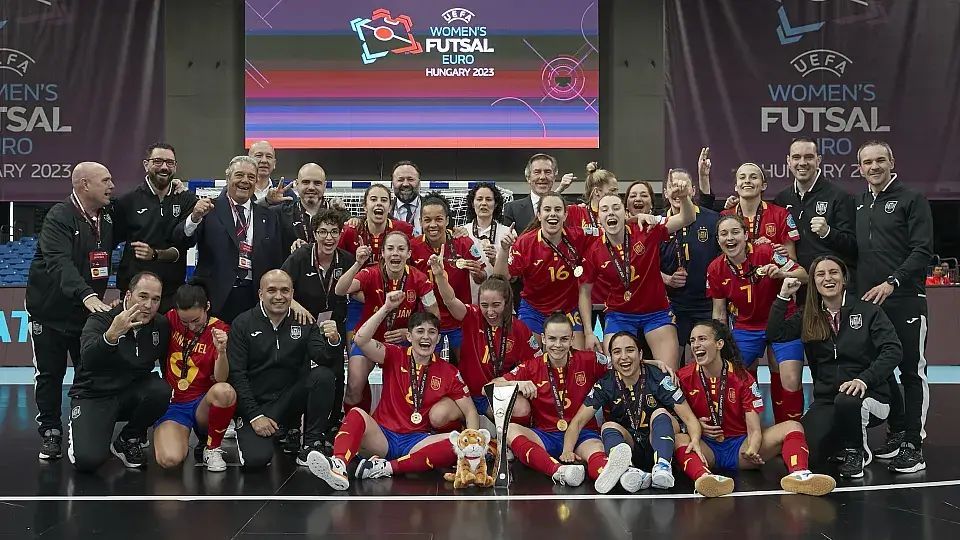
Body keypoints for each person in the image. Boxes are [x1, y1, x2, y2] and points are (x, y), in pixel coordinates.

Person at [306, 296, 479, 490]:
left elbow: (470, 411)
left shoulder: (449, 371)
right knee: (356, 414)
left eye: (432, 332)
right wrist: (386, 307)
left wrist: (474, 451)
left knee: (457, 442)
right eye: (420, 331)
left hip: (417, 441)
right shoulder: (395, 354)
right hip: (383, 437)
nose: (426, 337)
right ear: (409, 337)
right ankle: (338, 465)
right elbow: (361, 339)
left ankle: (385, 468)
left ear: (438, 339)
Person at [768, 257, 902, 478]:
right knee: (810, 454)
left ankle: (857, 451)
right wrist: (783, 297)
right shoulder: (808, 315)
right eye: (820, 274)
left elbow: (893, 350)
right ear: (813, 282)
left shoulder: (868, 311)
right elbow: (775, 334)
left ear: (844, 278)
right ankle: (841, 441)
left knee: (847, 400)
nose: (828, 278)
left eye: (833, 272)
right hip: (827, 400)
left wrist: (864, 379)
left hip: (869, 395)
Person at [674, 320, 836, 497]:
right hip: (706, 449)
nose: (696, 345)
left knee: (793, 426)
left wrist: (752, 448)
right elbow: (672, 417)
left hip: (740, 448)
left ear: (719, 344)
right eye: (692, 340)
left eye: (702, 339)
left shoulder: (742, 377)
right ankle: (704, 478)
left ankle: (799, 474)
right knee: (679, 439)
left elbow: (754, 429)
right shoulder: (683, 377)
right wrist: (694, 426)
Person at [27, 161, 117, 460]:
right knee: (49, 375)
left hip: (85, 315)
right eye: (105, 180)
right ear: (84, 184)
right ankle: (50, 431)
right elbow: (59, 263)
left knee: (87, 372)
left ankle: (82, 428)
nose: (112, 186)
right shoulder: (59, 216)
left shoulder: (108, 215)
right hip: (49, 313)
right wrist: (86, 294)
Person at [854, 140, 934, 473]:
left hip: (905, 299)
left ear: (891, 162)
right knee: (882, 368)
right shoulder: (859, 203)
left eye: (880, 160)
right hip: (871, 304)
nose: (874, 167)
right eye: (867, 162)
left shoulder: (912, 199)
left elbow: (922, 250)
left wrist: (893, 282)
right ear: (860, 168)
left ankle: (914, 445)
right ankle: (898, 432)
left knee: (912, 371)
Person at [563, 332, 706, 493]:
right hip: (630, 445)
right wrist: (567, 450)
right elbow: (578, 422)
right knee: (607, 426)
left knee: (660, 413)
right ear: (611, 358)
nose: (624, 357)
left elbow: (689, 418)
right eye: (617, 352)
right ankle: (629, 471)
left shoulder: (658, 376)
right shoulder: (606, 384)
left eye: (630, 350)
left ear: (640, 354)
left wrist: (695, 440)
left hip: (658, 442)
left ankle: (662, 467)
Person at [579, 178, 696, 370]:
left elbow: (687, 218)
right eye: (604, 209)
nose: (611, 212)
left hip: (656, 312)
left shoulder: (645, 230)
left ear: (624, 213)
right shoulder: (594, 250)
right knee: (617, 371)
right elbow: (584, 291)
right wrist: (589, 332)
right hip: (620, 315)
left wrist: (683, 198)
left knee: (668, 374)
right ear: (599, 218)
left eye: (616, 208)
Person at [227, 270, 341, 467]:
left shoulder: (304, 321)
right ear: (261, 294)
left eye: (285, 290)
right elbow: (237, 375)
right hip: (258, 403)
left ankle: (312, 444)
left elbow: (323, 358)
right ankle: (255, 427)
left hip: (290, 399)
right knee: (256, 460)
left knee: (323, 376)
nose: (279, 296)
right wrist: (255, 415)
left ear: (292, 293)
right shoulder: (242, 323)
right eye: (272, 290)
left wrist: (333, 341)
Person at [707, 214, 808, 423]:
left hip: (783, 321)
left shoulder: (767, 252)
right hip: (746, 327)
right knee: (731, 376)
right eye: (724, 234)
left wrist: (781, 274)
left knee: (790, 378)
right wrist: (719, 344)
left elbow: (804, 275)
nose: (730, 238)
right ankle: (744, 429)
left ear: (746, 236)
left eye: (735, 232)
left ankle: (791, 430)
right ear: (718, 240)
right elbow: (719, 312)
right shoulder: (715, 268)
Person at [68, 272, 171, 471]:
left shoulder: (160, 325)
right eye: (143, 296)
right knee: (88, 461)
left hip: (130, 393)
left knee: (161, 390)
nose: (148, 305)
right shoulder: (101, 319)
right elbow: (88, 360)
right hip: (95, 395)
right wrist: (111, 335)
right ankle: (83, 426)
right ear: (128, 296)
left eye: (155, 299)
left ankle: (128, 438)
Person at [491, 313, 609, 487]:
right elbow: (489, 386)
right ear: (544, 339)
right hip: (545, 436)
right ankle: (559, 471)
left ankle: (620, 476)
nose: (558, 345)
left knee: (597, 451)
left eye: (564, 339)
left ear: (572, 339)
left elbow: (621, 365)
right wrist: (518, 384)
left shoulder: (589, 360)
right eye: (552, 339)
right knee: (510, 430)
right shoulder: (531, 366)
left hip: (582, 434)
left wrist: (651, 364)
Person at [335, 231, 438, 413]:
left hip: (402, 342)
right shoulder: (370, 273)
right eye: (390, 248)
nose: (395, 253)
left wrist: (409, 332)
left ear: (408, 253)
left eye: (401, 249)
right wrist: (358, 263)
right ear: (382, 253)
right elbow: (339, 290)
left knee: (405, 391)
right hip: (369, 339)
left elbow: (434, 316)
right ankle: (357, 423)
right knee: (354, 387)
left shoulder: (420, 279)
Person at [176, 155, 286, 323]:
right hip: (215, 297)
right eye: (239, 175)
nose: (245, 181)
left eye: (251, 177)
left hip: (255, 300)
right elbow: (182, 240)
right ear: (228, 178)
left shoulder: (269, 216)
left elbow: (275, 259)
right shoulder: (208, 208)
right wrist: (195, 218)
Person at [429, 266, 538, 426]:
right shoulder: (472, 315)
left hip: (494, 394)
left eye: (496, 305)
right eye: (484, 305)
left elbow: (536, 363)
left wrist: (513, 381)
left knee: (522, 409)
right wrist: (439, 276)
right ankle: (465, 430)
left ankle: (502, 433)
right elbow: (450, 300)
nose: (490, 311)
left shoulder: (519, 329)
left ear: (506, 303)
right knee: (438, 416)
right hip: (464, 396)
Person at [282, 209, 355, 435]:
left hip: (334, 324)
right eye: (323, 232)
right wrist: (294, 305)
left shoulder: (347, 260)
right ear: (314, 234)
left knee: (336, 373)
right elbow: (280, 286)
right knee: (297, 372)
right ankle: (291, 426)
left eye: (334, 232)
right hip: (302, 324)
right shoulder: (300, 257)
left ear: (340, 234)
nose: (329, 238)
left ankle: (330, 425)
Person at [153, 281, 236, 472]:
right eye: (185, 322)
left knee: (224, 391)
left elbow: (221, 378)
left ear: (207, 307)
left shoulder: (220, 330)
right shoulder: (170, 318)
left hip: (202, 404)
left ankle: (212, 448)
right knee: (169, 460)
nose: (191, 326)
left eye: (196, 320)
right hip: (174, 403)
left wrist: (221, 351)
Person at [495, 192, 594, 348]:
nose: (552, 213)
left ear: (565, 215)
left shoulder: (579, 236)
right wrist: (504, 249)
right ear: (539, 215)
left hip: (568, 309)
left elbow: (609, 232)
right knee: (529, 354)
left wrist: (631, 221)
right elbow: (500, 278)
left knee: (577, 356)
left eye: (557, 209)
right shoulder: (524, 243)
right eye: (547, 209)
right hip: (534, 310)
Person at [114, 143, 198, 313]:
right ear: (146, 165)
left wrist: (154, 254)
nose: (164, 167)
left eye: (170, 162)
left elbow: (186, 243)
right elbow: (112, 241)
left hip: (171, 293)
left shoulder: (187, 200)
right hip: (136, 293)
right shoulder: (127, 201)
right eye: (158, 161)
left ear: (176, 167)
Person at [409, 194, 486, 365]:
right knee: (427, 368)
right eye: (427, 220)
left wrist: (477, 274)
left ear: (447, 220)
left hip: (459, 319)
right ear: (420, 222)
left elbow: (483, 277)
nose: (433, 225)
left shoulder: (464, 243)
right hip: (428, 321)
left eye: (438, 219)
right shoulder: (413, 247)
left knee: (466, 366)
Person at [773, 137, 858, 290]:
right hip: (796, 285)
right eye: (796, 157)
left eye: (809, 157)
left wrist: (828, 232)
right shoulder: (781, 199)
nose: (802, 163)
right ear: (788, 161)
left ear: (818, 160)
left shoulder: (839, 196)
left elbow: (853, 247)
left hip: (828, 285)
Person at [659, 166, 720, 363]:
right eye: (673, 186)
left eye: (683, 185)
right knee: (672, 365)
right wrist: (666, 278)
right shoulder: (657, 223)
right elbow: (645, 264)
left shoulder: (712, 219)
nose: (678, 190)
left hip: (706, 304)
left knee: (702, 363)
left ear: (693, 191)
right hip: (672, 304)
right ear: (665, 192)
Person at [721, 163, 800, 260]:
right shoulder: (725, 217)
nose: (747, 181)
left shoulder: (781, 215)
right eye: (742, 177)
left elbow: (792, 259)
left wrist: (770, 250)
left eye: (753, 177)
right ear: (736, 186)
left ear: (764, 186)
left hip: (771, 269)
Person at [462, 182, 510, 303]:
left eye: (488, 199)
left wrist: (496, 260)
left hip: (500, 300)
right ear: (472, 203)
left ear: (496, 204)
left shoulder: (508, 233)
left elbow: (513, 275)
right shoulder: (462, 232)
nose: (484, 203)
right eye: (479, 199)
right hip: (470, 300)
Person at [279, 162, 342, 254]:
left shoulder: (340, 215)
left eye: (317, 183)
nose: (311, 187)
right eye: (306, 182)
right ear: (297, 184)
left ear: (324, 186)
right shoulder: (282, 216)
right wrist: (268, 201)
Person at [502, 153, 575, 230]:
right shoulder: (511, 209)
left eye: (547, 172)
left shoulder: (569, 208)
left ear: (554, 177)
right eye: (537, 172)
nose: (542, 177)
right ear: (528, 178)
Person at [566, 162, 618, 235]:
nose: (616, 194)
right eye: (612, 190)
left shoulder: (619, 214)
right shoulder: (575, 212)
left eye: (616, 190)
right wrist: (560, 189)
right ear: (597, 192)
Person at [390, 161, 424, 236]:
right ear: (392, 183)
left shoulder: (433, 209)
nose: (405, 184)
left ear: (419, 183)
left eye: (410, 179)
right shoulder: (386, 211)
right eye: (400, 180)